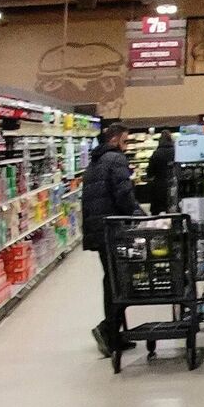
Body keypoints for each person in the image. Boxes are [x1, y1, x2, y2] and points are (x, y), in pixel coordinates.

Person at [81, 123, 143, 358]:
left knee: (112, 280)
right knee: (120, 282)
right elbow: (124, 193)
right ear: (116, 139)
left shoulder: (95, 162)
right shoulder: (115, 160)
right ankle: (107, 331)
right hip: (113, 231)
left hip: (99, 231)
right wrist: (141, 218)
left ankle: (113, 335)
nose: (126, 146)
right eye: (125, 141)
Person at [141, 128, 175, 213]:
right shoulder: (176, 151)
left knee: (158, 212)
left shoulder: (157, 153)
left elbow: (150, 172)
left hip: (159, 187)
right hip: (173, 185)